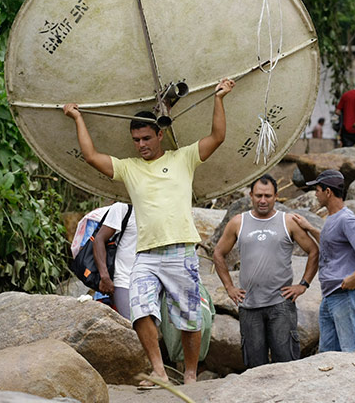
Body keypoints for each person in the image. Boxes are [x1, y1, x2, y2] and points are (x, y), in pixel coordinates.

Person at [63, 77, 234, 387]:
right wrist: (78, 117)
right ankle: (158, 371)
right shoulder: (129, 167)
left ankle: (191, 374)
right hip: (146, 254)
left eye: (145, 138)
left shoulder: (183, 158)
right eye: (136, 140)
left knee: (190, 317)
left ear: (160, 134)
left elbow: (217, 136)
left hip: (181, 251)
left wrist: (218, 98)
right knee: (141, 312)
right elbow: (91, 157)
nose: (141, 145)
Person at [213, 174, 318, 368]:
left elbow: (313, 251)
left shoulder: (288, 222)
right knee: (254, 366)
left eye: (268, 196)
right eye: (259, 195)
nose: (263, 200)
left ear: (276, 196)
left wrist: (303, 285)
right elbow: (218, 253)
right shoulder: (238, 222)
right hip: (249, 306)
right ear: (251, 196)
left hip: (281, 305)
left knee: (287, 364)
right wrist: (229, 287)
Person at [292, 170, 355, 353]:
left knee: (351, 351)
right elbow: (331, 241)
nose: (315, 194)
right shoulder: (333, 218)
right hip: (330, 295)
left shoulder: (346, 219)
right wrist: (310, 228)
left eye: (317, 190)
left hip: (344, 295)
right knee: (327, 354)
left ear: (328, 192)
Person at [93, 201, 137, 320]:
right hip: (124, 279)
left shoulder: (160, 208)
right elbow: (99, 240)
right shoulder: (123, 208)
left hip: (151, 282)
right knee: (132, 326)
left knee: (151, 330)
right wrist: (105, 276)